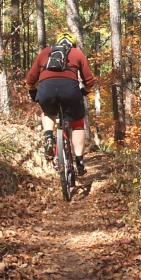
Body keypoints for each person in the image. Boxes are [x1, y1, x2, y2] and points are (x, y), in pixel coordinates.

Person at [26, 33, 95, 175]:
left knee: (48, 112)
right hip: (70, 90)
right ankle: (80, 161)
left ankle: (49, 136)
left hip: (46, 89)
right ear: (72, 44)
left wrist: (34, 93)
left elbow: (30, 79)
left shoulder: (45, 52)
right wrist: (84, 92)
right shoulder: (77, 53)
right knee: (77, 123)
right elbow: (89, 81)